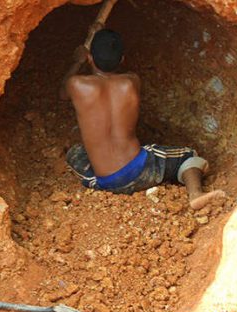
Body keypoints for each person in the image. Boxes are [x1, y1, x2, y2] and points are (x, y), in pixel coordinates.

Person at [60, 28, 225, 209]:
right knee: (189, 155)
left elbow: (62, 93)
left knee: (75, 153)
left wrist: (77, 61)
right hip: (141, 171)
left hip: (104, 181)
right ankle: (196, 194)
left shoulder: (76, 84)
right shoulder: (132, 81)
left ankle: (97, 181)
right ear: (122, 59)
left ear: (90, 58)